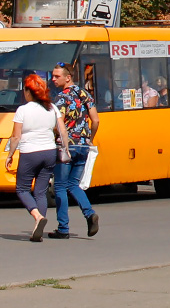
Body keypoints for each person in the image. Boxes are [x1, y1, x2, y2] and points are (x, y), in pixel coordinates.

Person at [5, 73, 70, 241]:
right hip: (49, 153)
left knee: (22, 189)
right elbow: (62, 130)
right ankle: (37, 229)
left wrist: (10, 155)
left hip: (30, 153)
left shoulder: (23, 110)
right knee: (40, 192)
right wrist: (66, 148)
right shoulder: (51, 108)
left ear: (28, 91)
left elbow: (15, 137)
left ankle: (37, 217)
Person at [50, 63, 100, 239]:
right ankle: (89, 213)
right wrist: (90, 139)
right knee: (74, 184)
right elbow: (96, 120)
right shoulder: (84, 94)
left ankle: (63, 228)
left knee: (61, 186)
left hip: (67, 147)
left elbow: (59, 124)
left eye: (57, 76)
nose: (53, 79)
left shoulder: (60, 98)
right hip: (84, 146)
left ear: (68, 77)